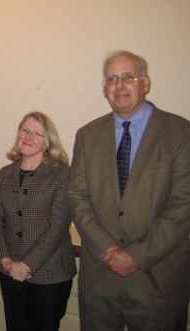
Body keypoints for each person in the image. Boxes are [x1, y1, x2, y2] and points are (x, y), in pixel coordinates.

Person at [67, 50, 190, 330]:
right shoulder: (87, 135)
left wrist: (136, 256)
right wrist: (107, 249)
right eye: (112, 78)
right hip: (100, 279)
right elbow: (77, 196)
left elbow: (183, 206)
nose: (119, 85)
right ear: (104, 88)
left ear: (145, 83)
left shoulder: (181, 133)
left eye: (128, 77)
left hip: (158, 280)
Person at [0, 112, 77, 331]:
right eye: (25, 130)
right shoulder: (6, 173)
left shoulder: (62, 175)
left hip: (50, 274)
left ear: (48, 143)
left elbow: (58, 225)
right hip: (9, 270)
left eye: (37, 133)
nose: (28, 137)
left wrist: (26, 264)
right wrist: (4, 260)